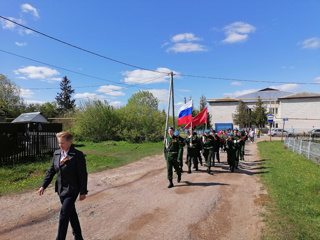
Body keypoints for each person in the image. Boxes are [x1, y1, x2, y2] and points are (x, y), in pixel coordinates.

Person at [38, 131, 88, 240]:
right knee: (71, 214)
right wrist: (43, 185)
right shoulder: (57, 154)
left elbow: (83, 174)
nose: (60, 145)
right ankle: (78, 237)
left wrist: (83, 191)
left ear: (70, 142)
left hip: (72, 190)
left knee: (64, 215)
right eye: (59, 143)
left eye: (63, 143)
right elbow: (51, 171)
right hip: (61, 190)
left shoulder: (77, 155)